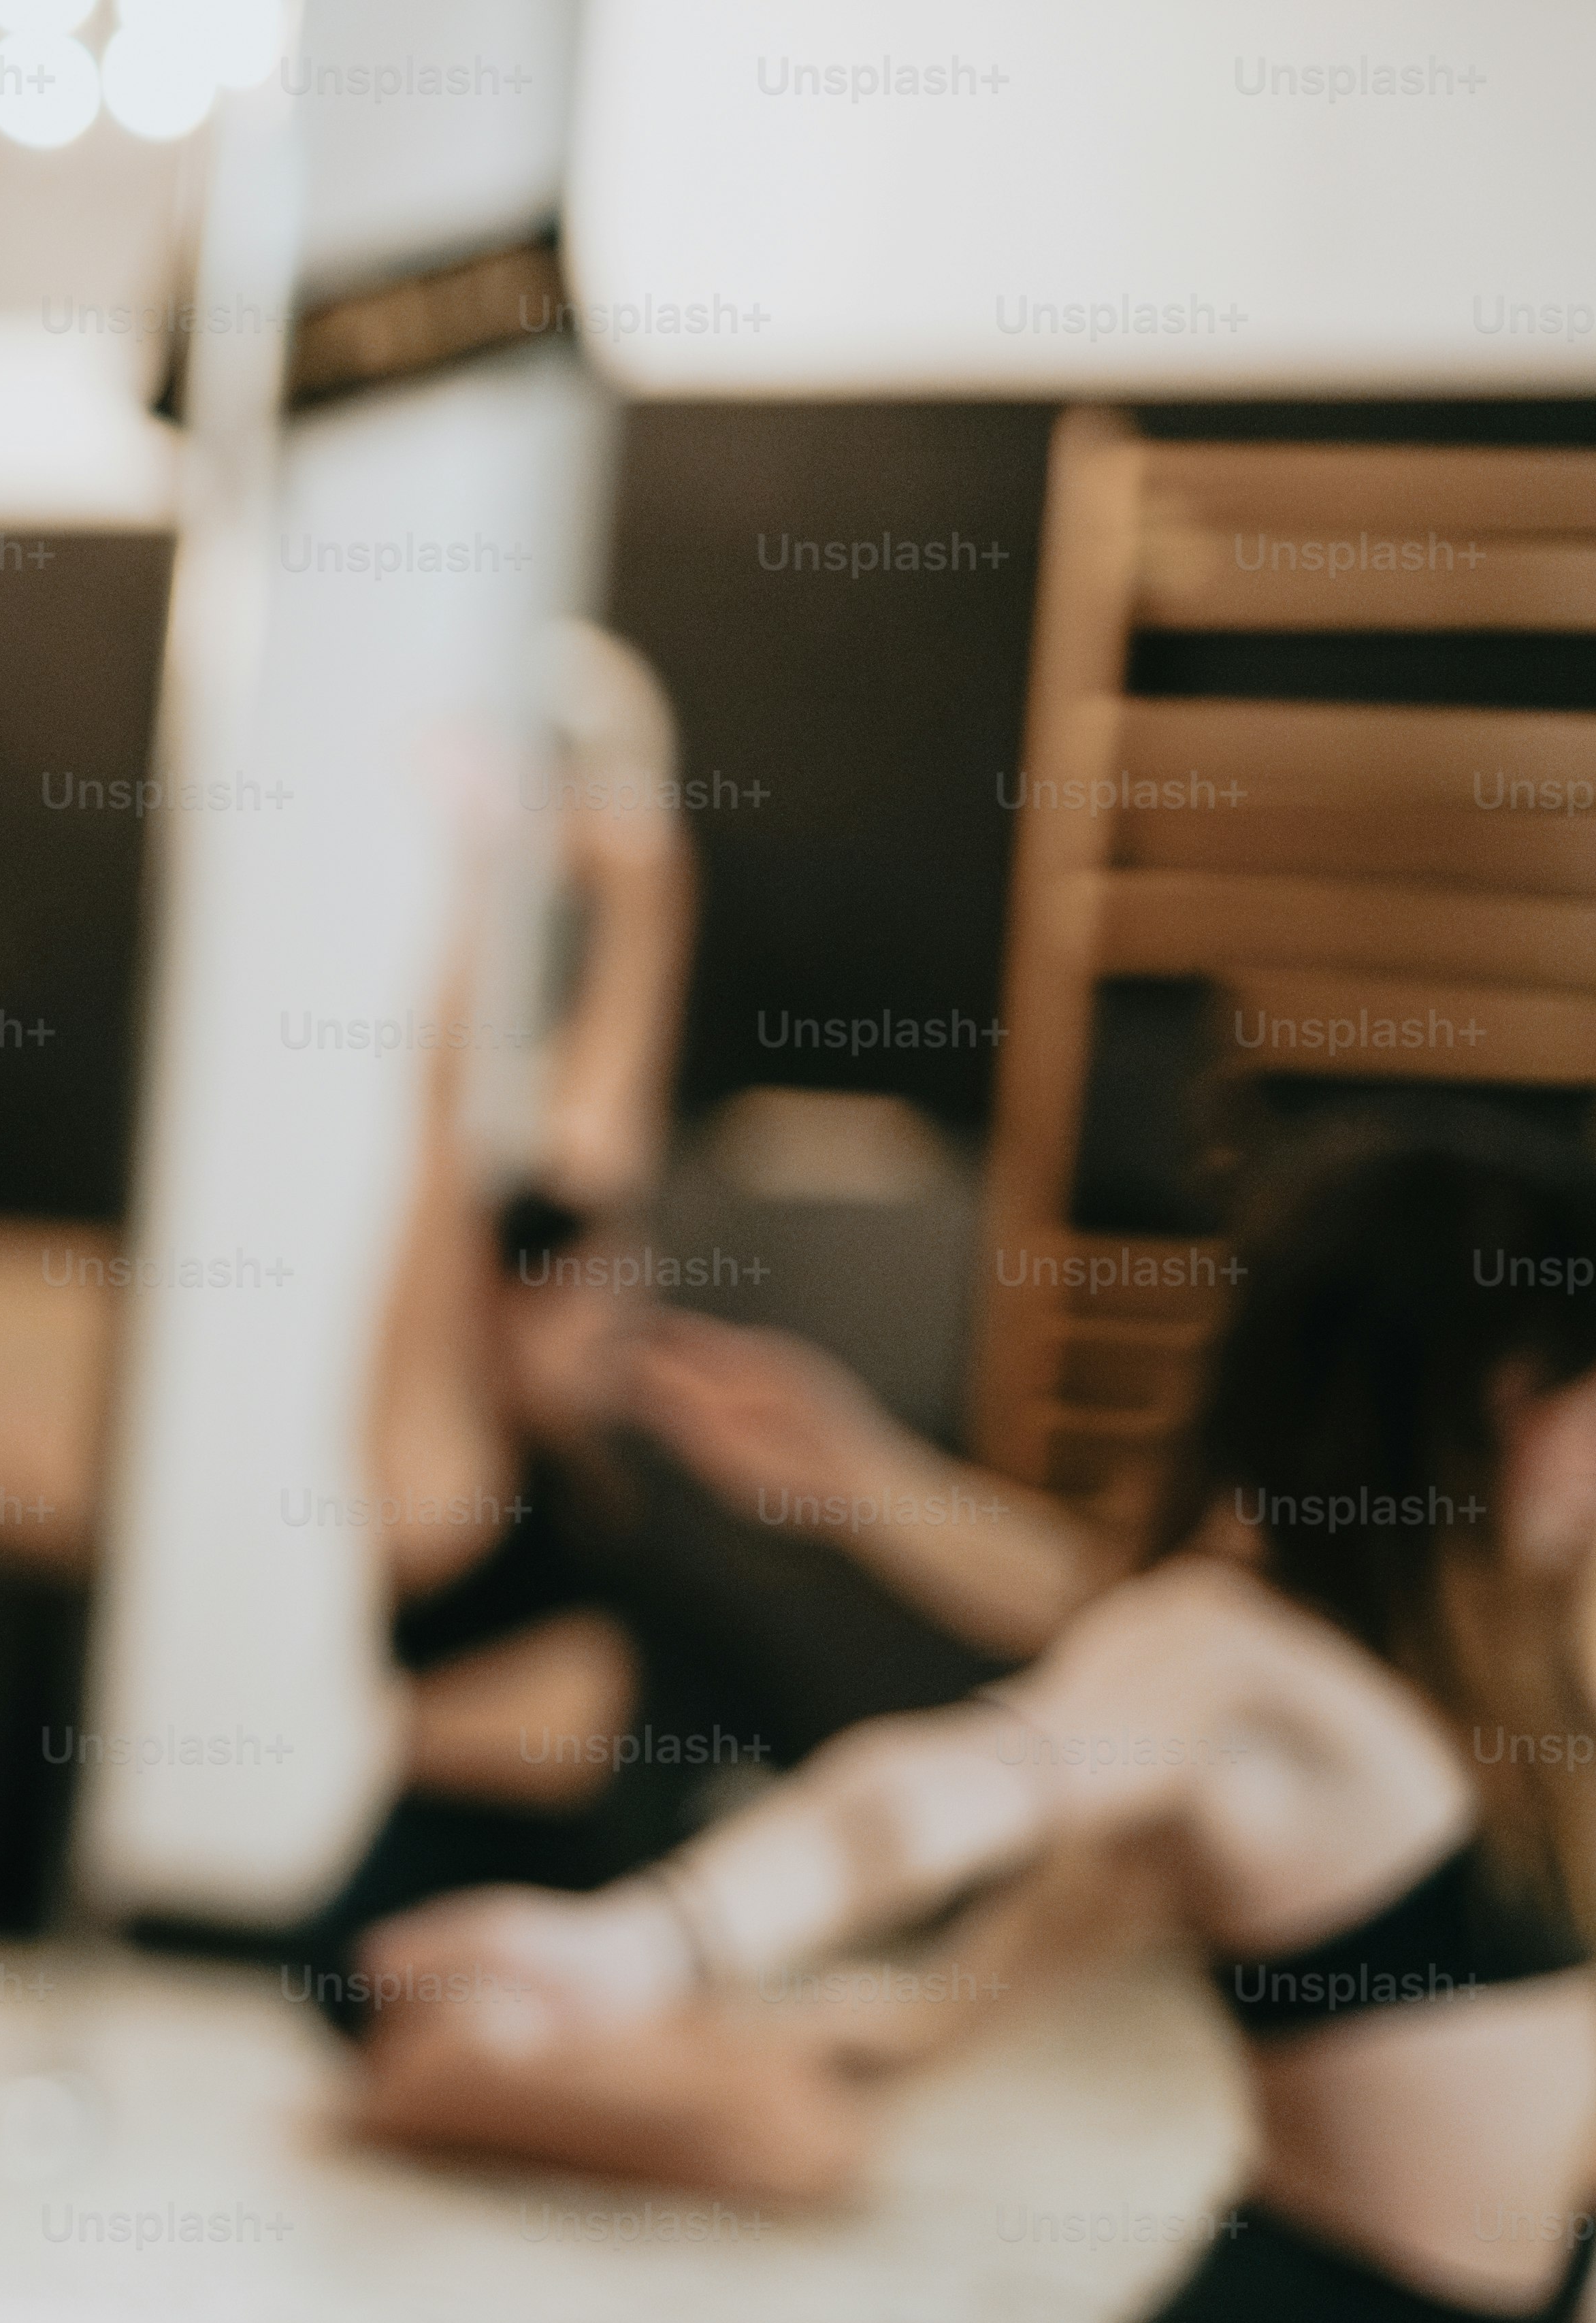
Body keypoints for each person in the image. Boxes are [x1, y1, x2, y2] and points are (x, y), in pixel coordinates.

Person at [372, 1118, 1596, 2323]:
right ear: (1490, 1391)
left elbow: (1064, 1608)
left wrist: (867, 1484)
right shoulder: (1237, 1656)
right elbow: (951, 1783)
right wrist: (653, 1944)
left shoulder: (1513, 1655)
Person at [310, 629, 1123, 2198]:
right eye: (587, 1290)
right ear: (500, 1297)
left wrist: (645, 880)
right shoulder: (439, 1447)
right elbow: (431, 1140)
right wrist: (481, 870)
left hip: (591, 1902)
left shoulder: (598, 1448)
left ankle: (485, 2074)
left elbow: (611, 1114)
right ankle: (405, 2074)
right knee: (788, 2144)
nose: (621, 1309)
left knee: (815, 2123)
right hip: (434, 1915)